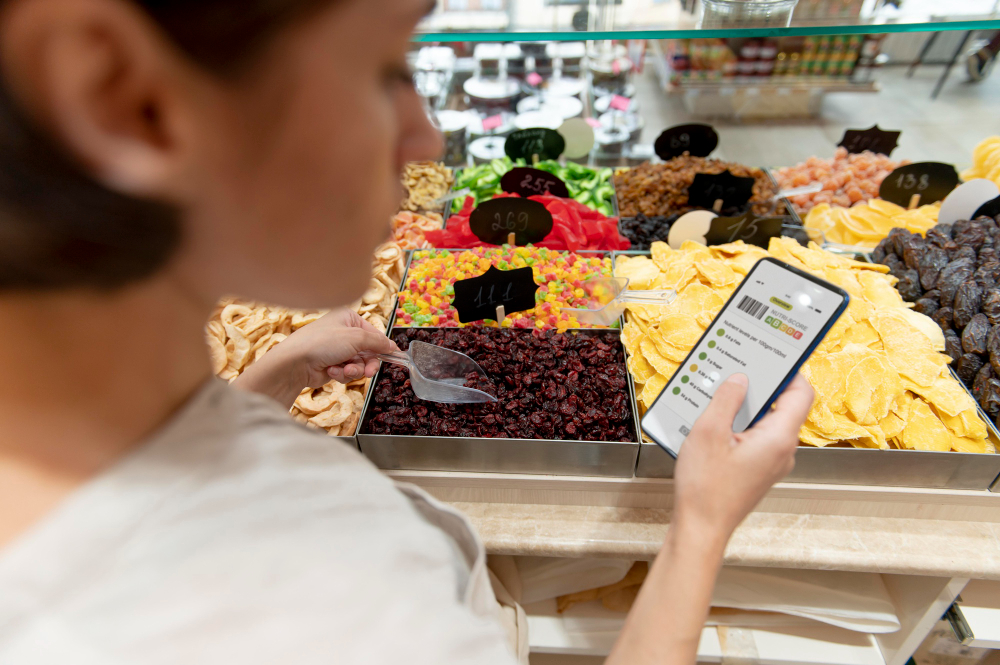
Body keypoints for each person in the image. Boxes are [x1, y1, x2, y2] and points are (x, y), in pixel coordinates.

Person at [0, 0, 815, 663]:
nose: (425, 138)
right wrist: (702, 525)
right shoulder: (339, 619)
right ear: (114, 91)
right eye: (383, 67)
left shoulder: (85, 446)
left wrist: (266, 386)